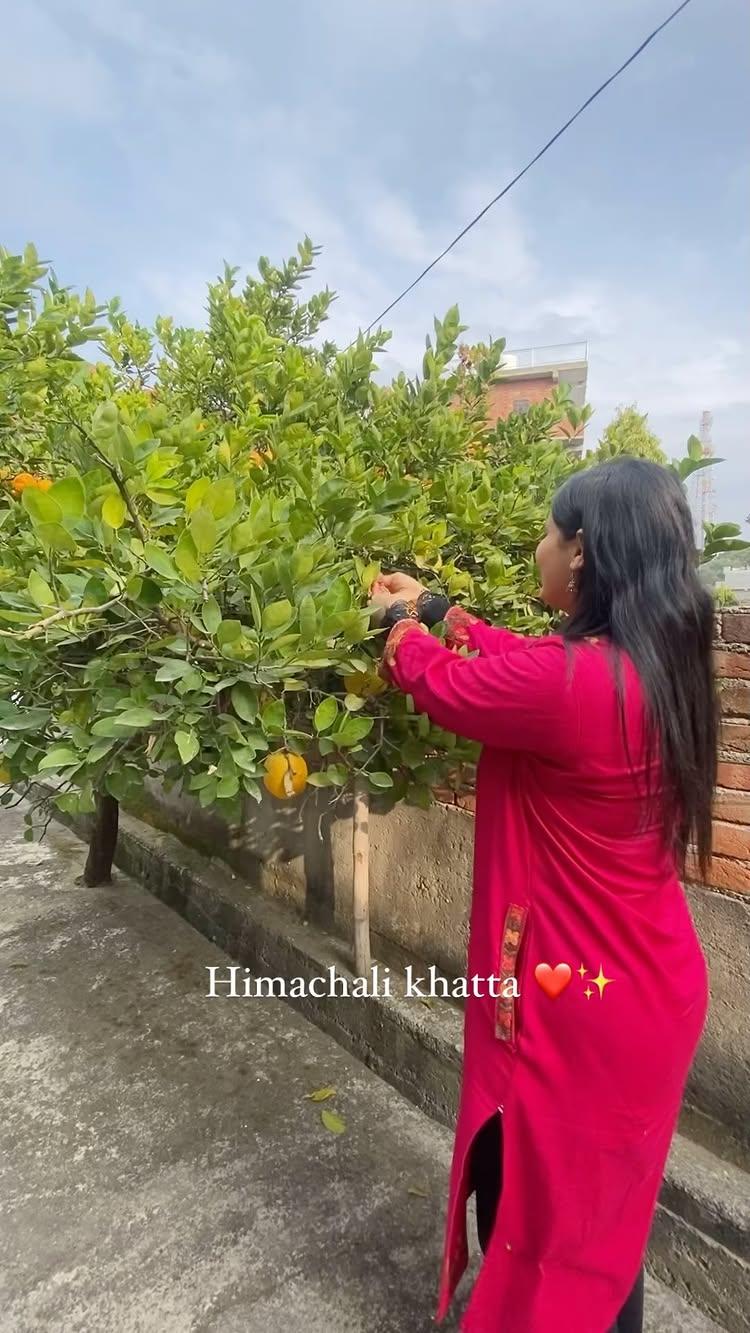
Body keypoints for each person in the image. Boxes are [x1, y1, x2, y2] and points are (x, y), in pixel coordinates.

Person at [373, 458, 714, 1333]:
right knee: (602, 1229)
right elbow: (532, 663)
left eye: (549, 530)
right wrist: (448, 610)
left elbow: (441, 683)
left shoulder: (573, 687)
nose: (540, 545)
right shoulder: (655, 662)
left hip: (574, 1000)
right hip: (644, 988)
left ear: (584, 552)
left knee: (530, 1213)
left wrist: (403, 628)